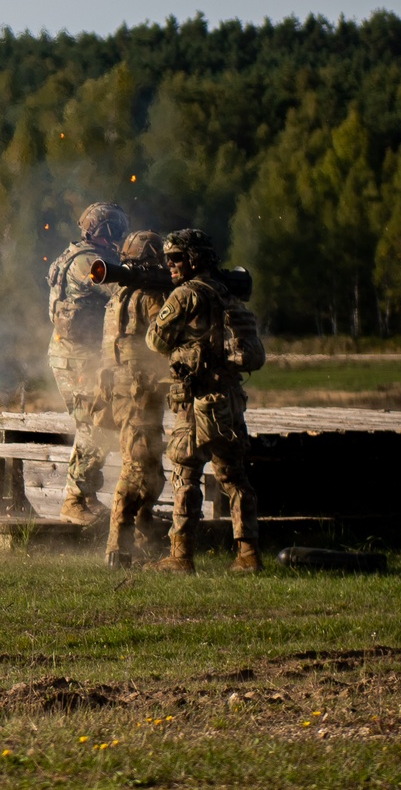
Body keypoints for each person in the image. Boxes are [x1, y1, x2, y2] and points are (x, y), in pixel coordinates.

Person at [144, 229, 263, 573]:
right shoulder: (229, 294)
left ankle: (181, 556)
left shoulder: (185, 295)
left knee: (185, 474)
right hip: (228, 399)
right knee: (234, 477)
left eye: (177, 257)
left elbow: (156, 341)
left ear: (195, 258)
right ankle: (248, 554)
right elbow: (252, 352)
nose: (170, 264)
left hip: (195, 403)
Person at [47, 201, 129, 525]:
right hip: (76, 357)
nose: (120, 238)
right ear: (105, 231)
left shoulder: (75, 254)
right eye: (116, 232)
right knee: (95, 425)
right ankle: (74, 499)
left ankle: (86, 496)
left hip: (78, 354)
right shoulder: (89, 262)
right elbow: (118, 291)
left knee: (101, 423)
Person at [99, 231, 171, 568]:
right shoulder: (146, 297)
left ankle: (143, 537)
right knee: (138, 464)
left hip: (128, 390)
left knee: (151, 467)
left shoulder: (118, 297)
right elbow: (164, 339)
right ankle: (119, 544)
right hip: (139, 392)